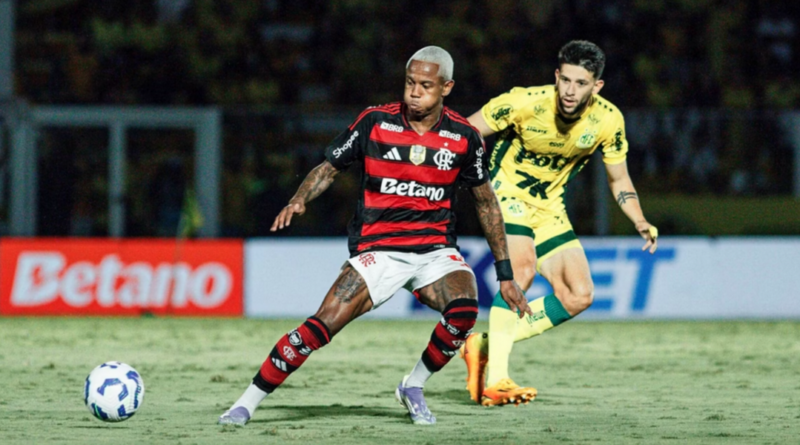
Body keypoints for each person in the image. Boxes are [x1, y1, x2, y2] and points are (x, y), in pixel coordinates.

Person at [218, 46, 530, 426]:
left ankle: (413, 385)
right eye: (410, 83)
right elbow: (328, 168)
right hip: (378, 249)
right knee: (320, 326)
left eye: (426, 85)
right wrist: (300, 198)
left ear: (446, 87)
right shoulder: (375, 121)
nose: (415, 92)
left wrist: (505, 274)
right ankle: (245, 403)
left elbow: (487, 204)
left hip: (435, 250)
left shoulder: (464, 137)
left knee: (464, 311)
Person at [460, 40, 659, 406]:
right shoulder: (523, 102)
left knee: (579, 294)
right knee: (520, 271)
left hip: (550, 207)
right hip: (505, 194)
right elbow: (462, 134)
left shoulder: (608, 120)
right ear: (556, 75)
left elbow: (619, 179)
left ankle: (483, 344)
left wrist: (639, 218)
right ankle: (498, 379)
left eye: (580, 83)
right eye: (564, 80)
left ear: (596, 87)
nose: (569, 91)